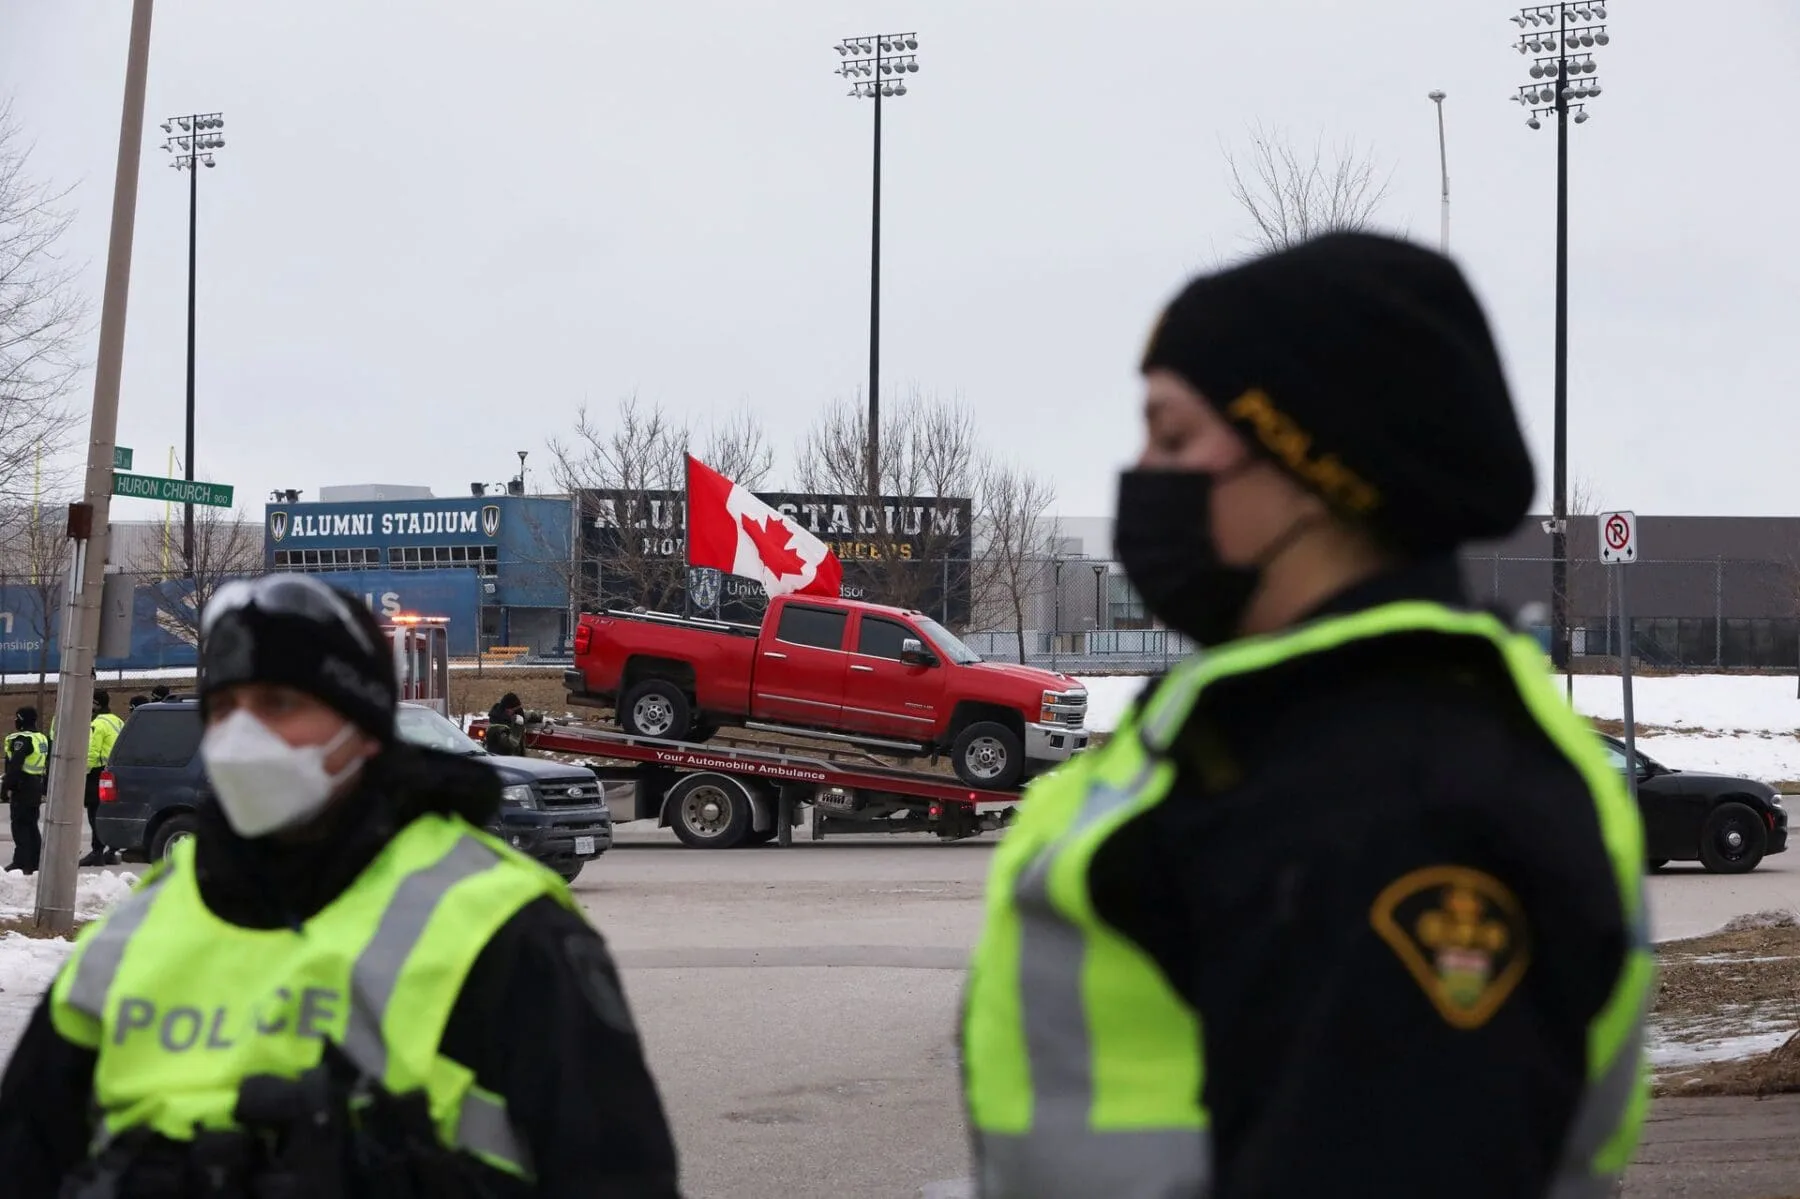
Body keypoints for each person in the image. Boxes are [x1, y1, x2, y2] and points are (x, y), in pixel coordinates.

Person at [960, 233, 1652, 1199]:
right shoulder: (1285, 741)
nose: (1142, 474)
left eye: (1171, 436)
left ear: (1310, 465)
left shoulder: (1402, 805)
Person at [0, 573, 681, 1197]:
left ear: (363, 727)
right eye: (225, 706)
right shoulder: (133, 935)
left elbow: (617, 1172)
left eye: (280, 702)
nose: (244, 735)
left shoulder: (500, 926)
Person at [78, 690, 125, 867]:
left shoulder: (97, 723)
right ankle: (113, 850)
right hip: (114, 770)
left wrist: (83, 773)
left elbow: (91, 751)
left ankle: (97, 852)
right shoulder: (116, 720)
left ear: (95, 703)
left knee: (94, 812)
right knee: (110, 812)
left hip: (97, 773)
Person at [3, 706, 49, 875]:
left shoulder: (21, 739)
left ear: (21, 719)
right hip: (36, 784)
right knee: (31, 824)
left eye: (17, 718)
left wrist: (5, 788)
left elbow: (15, 765)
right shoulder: (41, 738)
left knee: (20, 825)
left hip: (22, 785)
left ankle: (22, 862)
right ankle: (36, 861)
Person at [485, 691, 527, 756]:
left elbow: (523, 714)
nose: (517, 712)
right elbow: (511, 744)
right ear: (507, 710)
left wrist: (537, 716)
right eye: (515, 709)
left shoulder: (508, 717)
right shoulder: (496, 727)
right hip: (502, 762)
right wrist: (518, 725)